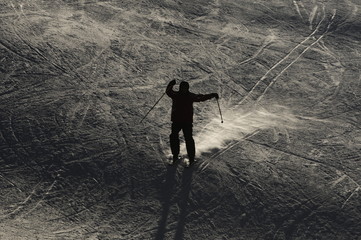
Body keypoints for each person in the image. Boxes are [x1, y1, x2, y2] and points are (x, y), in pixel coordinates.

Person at [166, 79, 219, 167]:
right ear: (180, 88)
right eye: (182, 88)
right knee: (173, 136)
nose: (183, 89)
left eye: (185, 88)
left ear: (187, 88)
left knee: (188, 139)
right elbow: (168, 92)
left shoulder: (190, 96)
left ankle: (191, 158)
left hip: (187, 121)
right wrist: (171, 84)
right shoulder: (176, 95)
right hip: (176, 120)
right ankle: (175, 155)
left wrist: (212, 95)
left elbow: (201, 97)